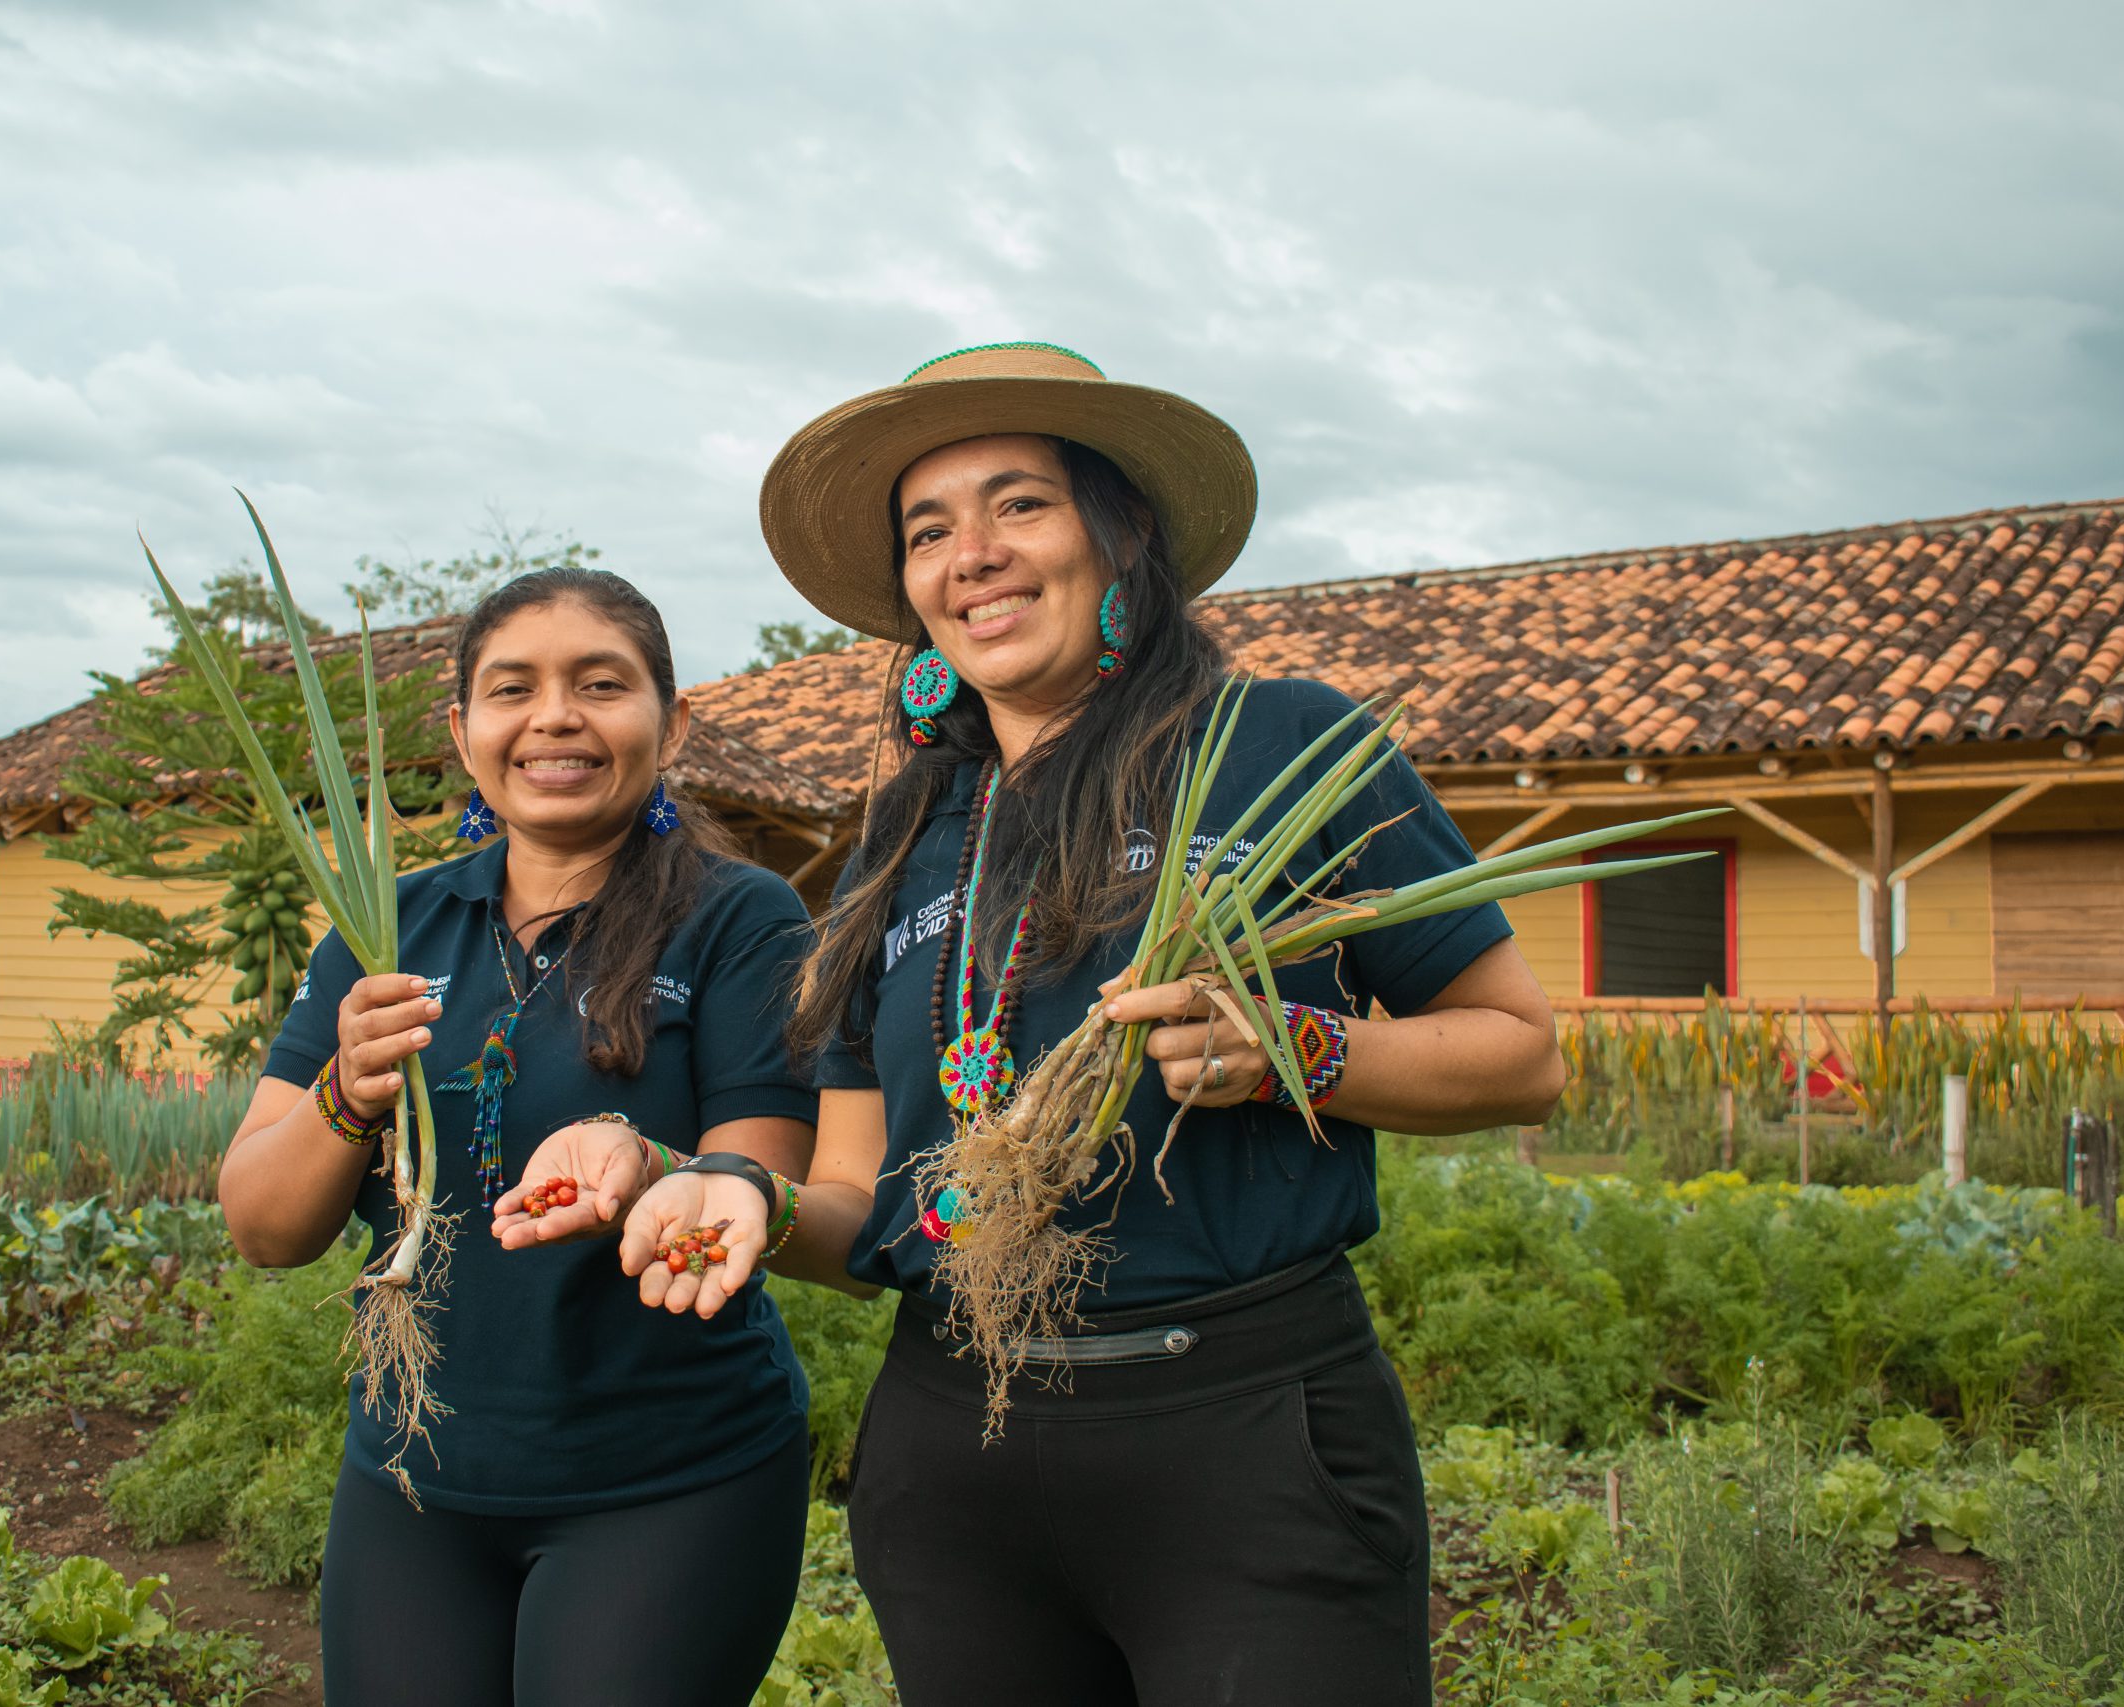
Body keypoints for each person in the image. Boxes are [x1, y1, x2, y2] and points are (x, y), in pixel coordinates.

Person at [620, 343, 1567, 1706]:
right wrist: (736, 1189)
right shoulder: (903, 830)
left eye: (1020, 505)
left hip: (1244, 1436)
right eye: (929, 530)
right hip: (958, 1452)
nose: (973, 556)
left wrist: (1298, 1050)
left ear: (1118, 535)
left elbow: (1521, 1052)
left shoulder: (1284, 743)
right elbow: (855, 1194)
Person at [218, 567, 817, 1707]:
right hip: (411, 1474)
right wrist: (347, 1089)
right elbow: (263, 1226)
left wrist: (646, 1167)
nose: (554, 717)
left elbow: (761, 1181)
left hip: (667, 1478)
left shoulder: (740, 917)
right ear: (462, 730)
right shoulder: (383, 926)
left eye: (601, 684)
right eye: (512, 689)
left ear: (672, 720)